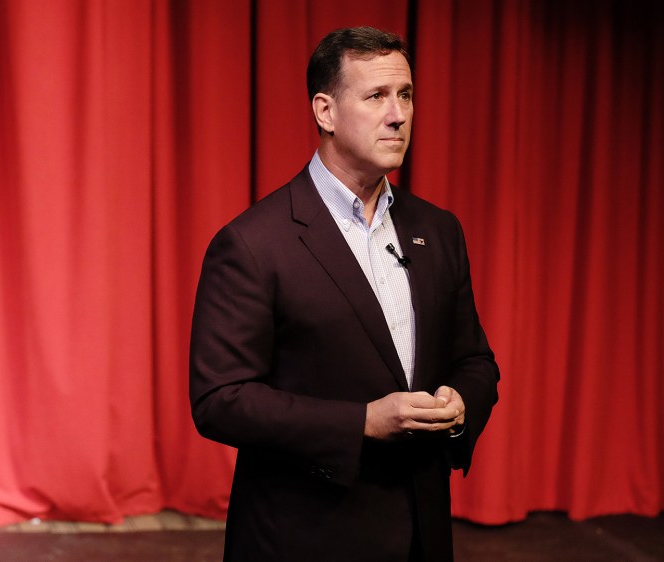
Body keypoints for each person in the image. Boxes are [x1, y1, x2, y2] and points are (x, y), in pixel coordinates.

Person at [189, 27, 500, 561]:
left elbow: (474, 359)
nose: (398, 115)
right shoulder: (253, 243)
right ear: (325, 112)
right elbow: (220, 400)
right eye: (376, 96)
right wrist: (363, 423)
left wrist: (460, 403)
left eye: (405, 95)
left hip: (422, 535)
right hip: (303, 539)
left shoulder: (439, 230)